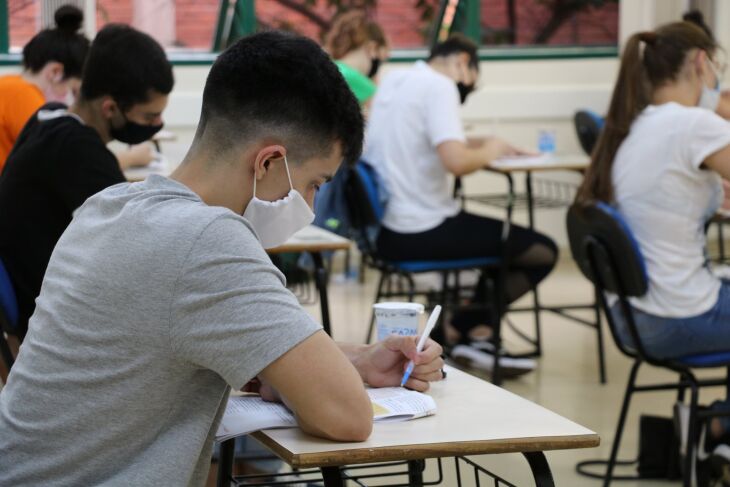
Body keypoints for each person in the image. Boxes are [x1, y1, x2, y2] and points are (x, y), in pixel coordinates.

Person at [0, 30, 444, 486]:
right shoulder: (208, 239)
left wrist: (358, 358)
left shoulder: (109, 205)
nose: (310, 204)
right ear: (269, 162)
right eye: (315, 183)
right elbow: (347, 415)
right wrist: (328, 379)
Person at [574, 21, 730, 466]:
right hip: (678, 317)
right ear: (701, 63)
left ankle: (719, 436)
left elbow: (667, 195)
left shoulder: (633, 128)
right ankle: (716, 426)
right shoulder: (694, 124)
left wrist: (712, 200)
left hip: (635, 318)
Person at [363, 34, 557, 376]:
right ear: (463, 63)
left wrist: (488, 142)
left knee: (496, 241)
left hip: (385, 231)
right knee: (541, 250)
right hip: (421, 229)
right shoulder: (441, 86)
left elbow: (425, 139)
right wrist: (494, 149)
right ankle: (467, 328)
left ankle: (468, 331)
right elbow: (456, 161)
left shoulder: (397, 79)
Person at [0, 24, 174, 338]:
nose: (157, 124)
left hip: (34, 295)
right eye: (150, 117)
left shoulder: (49, 117)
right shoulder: (76, 147)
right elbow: (143, 237)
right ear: (109, 108)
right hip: (53, 319)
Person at [0, 5, 88, 172]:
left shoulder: (8, 84)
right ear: (56, 72)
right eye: (73, 90)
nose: (72, 100)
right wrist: (130, 158)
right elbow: (62, 162)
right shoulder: (24, 95)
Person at [324, 9, 389, 107]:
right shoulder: (355, 79)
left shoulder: (327, 70)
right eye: (380, 60)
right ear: (372, 48)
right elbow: (380, 110)